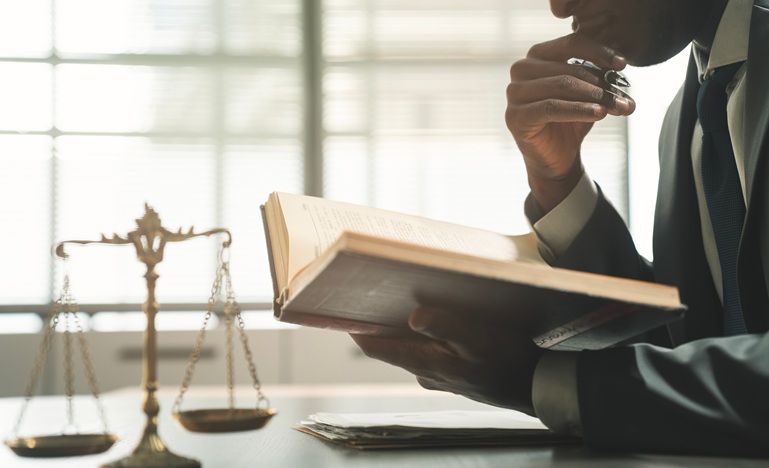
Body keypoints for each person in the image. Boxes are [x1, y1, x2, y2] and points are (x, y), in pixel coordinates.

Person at [351, 0, 769, 457]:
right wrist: (559, 181)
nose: (559, 6)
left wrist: (539, 381)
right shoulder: (687, 115)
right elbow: (689, 350)